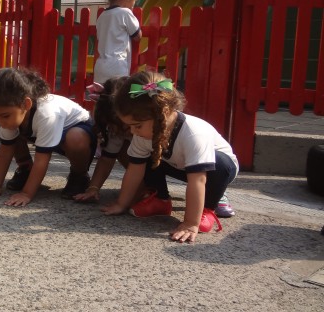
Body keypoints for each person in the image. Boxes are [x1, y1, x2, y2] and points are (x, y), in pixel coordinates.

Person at [100, 71, 239, 242]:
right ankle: (160, 199)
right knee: (145, 157)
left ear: (164, 112)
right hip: (180, 165)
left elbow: (198, 180)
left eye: (137, 126)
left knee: (221, 164)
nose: (133, 131)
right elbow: (135, 170)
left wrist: (190, 223)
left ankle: (208, 208)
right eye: (130, 126)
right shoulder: (144, 133)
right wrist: (121, 204)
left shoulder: (193, 133)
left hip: (215, 172)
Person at [0, 68, 96, 207]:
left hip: (78, 132)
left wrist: (26, 193)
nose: (0, 122)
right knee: (11, 134)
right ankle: (26, 169)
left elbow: (42, 159)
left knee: (75, 139)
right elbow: (5, 150)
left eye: (4, 116)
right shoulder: (11, 114)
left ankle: (79, 175)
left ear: (26, 104)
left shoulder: (47, 114)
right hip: (46, 133)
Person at [73, 78, 133, 203]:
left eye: (124, 125)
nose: (117, 130)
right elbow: (106, 160)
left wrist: (123, 203)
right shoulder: (116, 130)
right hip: (142, 165)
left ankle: (152, 189)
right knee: (121, 148)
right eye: (112, 125)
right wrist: (93, 188)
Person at [92, 0, 142, 84]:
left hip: (100, 66)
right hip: (117, 65)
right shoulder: (125, 13)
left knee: (101, 93)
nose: (134, 3)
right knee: (117, 94)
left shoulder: (102, 16)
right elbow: (137, 36)